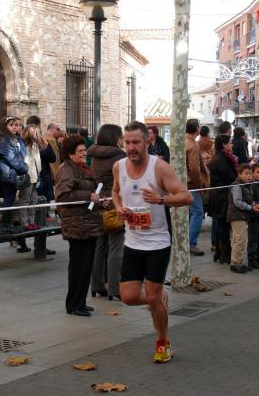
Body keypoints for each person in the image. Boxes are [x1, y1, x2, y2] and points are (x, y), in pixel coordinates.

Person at [112, 120, 193, 364]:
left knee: (153, 296)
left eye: (135, 142)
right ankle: (159, 297)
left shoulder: (160, 168)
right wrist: (118, 208)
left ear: (147, 141)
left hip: (157, 243)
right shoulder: (119, 167)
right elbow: (115, 191)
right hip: (132, 241)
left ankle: (163, 342)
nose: (131, 147)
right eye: (127, 142)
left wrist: (161, 200)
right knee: (127, 296)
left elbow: (186, 197)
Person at [55, 135, 105, 316]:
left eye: (85, 150)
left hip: (89, 223)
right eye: (81, 151)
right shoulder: (65, 169)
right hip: (77, 224)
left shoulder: (83, 168)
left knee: (86, 266)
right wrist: (87, 195)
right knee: (78, 267)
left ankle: (81, 302)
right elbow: (62, 197)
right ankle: (74, 304)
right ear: (70, 153)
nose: (85, 153)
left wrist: (100, 202)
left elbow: (89, 192)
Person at [88, 124, 126, 301]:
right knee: (116, 246)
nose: (123, 139)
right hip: (113, 202)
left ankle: (96, 285)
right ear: (115, 138)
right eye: (120, 136)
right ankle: (115, 287)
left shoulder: (94, 154)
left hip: (98, 202)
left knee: (100, 246)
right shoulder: (120, 156)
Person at [0, 116, 29, 232]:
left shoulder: (16, 139)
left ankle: (7, 223)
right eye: (11, 125)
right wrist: (24, 168)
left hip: (13, 173)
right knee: (9, 199)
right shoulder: (4, 140)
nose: (15, 127)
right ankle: (5, 224)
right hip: (6, 173)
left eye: (16, 125)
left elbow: (23, 155)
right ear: (5, 127)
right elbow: (12, 158)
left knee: (11, 199)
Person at [207, 135, 237, 265]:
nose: (232, 145)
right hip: (221, 196)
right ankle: (225, 253)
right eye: (230, 143)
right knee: (223, 226)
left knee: (221, 225)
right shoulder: (222, 159)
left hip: (219, 195)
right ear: (224, 145)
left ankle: (220, 253)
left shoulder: (221, 157)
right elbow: (230, 176)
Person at [227, 164, 259, 274]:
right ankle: (235, 263)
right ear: (239, 174)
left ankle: (239, 262)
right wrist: (250, 207)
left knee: (241, 239)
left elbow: (248, 200)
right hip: (237, 216)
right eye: (246, 174)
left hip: (242, 216)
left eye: (250, 174)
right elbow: (237, 202)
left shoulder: (246, 185)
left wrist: (254, 205)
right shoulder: (237, 185)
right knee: (240, 239)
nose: (249, 176)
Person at [185, 119, 208, 256]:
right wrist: (199, 185)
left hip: (182, 183)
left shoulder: (181, 141)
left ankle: (186, 241)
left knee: (189, 213)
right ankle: (191, 243)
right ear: (197, 129)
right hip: (191, 184)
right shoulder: (192, 145)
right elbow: (194, 169)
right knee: (198, 212)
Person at [18, 124, 45, 232]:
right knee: (25, 200)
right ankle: (25, 222)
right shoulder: (23, 145)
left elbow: (37, 161)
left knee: (33, 200)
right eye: (36, 132)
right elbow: (26, 162)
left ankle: (31, 221)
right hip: (28, 176)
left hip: (35, 176)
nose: (38, 134)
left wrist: (39, 174)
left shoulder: (35, 145)